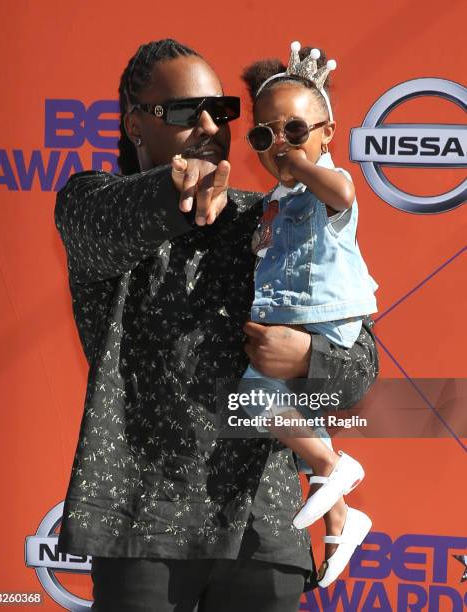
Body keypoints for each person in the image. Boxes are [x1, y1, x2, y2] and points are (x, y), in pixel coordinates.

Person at [54, 38, 378, 612]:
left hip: (264, 525)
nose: (209, 124)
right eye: (184, 112)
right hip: (141, 525)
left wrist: (308, 358)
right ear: (135, 125)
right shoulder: (91, 203)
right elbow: (104, 223)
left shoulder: (276, 217)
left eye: (222, 110)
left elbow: (359, 373)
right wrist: (175, 192)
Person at [238, 42, 377, 588]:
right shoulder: (274, 200)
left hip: (326, 319)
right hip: (291, 318)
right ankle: (343, 518)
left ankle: (332, 467)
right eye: (264, 135)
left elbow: (341, 192)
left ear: (327, 134)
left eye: (295, 131)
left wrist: (303, 164)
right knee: (297, 416)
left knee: (253, 399)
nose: (280, 146)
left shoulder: (328, 182)